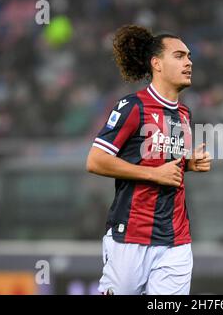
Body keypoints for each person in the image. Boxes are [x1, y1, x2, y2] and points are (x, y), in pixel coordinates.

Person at [86, 25, 211, 295]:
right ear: (157, 63)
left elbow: (161, 158)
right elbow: (96, 161)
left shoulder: (185, 114)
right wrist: (154, 175)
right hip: (130, 237)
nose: (189, 62)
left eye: (189, 56)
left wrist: (188, 164)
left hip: (176, 241)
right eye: (179, 56)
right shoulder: (133, 106)